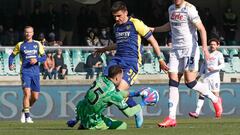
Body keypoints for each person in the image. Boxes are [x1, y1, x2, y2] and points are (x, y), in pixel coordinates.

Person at [95, 1, 168, 128]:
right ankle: (96, 116)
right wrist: (104, 49)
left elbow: (153, 40)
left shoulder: (136, 23)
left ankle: (136, 109)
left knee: (118, 91)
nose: (117, 19)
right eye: (115, 17)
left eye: (119, 16)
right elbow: (119, 44)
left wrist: (160, 59)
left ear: (126, 12)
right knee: (103, 89)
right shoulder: (116, 27)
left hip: (131, 62)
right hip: (116, 60)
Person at [150, 0, 223, 127]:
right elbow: (170, 25)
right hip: (175, 50)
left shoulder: (190, 9)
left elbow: (201, 29)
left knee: (190, 82)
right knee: (173, 81)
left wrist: (204, 48)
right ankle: (171, 118)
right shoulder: (171, 8)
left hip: (190, 49)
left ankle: (215, 99)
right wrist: (154, 29)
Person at [66, 65, 156, 130]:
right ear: (117, 78)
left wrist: (136, 93)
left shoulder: (100, 79)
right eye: (121, 77)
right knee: (123, 125)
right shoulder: (112, 94)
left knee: (93, 108)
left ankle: (83, 122)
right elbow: (129, 113)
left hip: (82, 111)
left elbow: (118, 93)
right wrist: (144, 103)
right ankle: (90, 125)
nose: (122, 79)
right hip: (94, 121)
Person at [8, 26, 46, 123]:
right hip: (25, 72)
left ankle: (24, 111)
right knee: (27, 94)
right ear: (24, 33)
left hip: (36, 73)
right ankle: (28, 117)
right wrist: (10, 64)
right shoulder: (20, 45)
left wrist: (37, 59)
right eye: (26, 32)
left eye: (30, 32)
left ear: (33, 33)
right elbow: (12, 56)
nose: (28, 34)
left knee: (35, 97)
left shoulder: (37, 44)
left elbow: (44, 57)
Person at [189, 38, 224, 118]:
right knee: (202, 94)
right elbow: (203, 65)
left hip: (214, 78)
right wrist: (199, 75)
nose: (212, 46)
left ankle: (218, 114)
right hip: (206, 77)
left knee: (216, 95)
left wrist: (214, 68)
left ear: (217, 45)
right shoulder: (206, 54)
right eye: (211, 44)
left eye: (214, 44)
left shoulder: (219, 54)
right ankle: (197, 112)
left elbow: (222, 65)